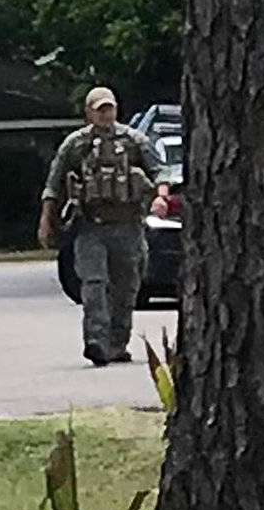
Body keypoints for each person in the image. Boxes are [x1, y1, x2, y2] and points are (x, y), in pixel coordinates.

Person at [38, 87, 170, 366]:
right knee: (94, 284)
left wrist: (161, 196)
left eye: (109, 108)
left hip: (128, 226)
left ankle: (117, 343)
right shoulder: (74, 145)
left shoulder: (135, 141)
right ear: (88, 112)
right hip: (91, 226)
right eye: (99, 109)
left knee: (126, 287)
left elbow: (159, 170)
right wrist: (46, 220)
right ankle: (96, 342)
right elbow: (54, 184)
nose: (105, 114)